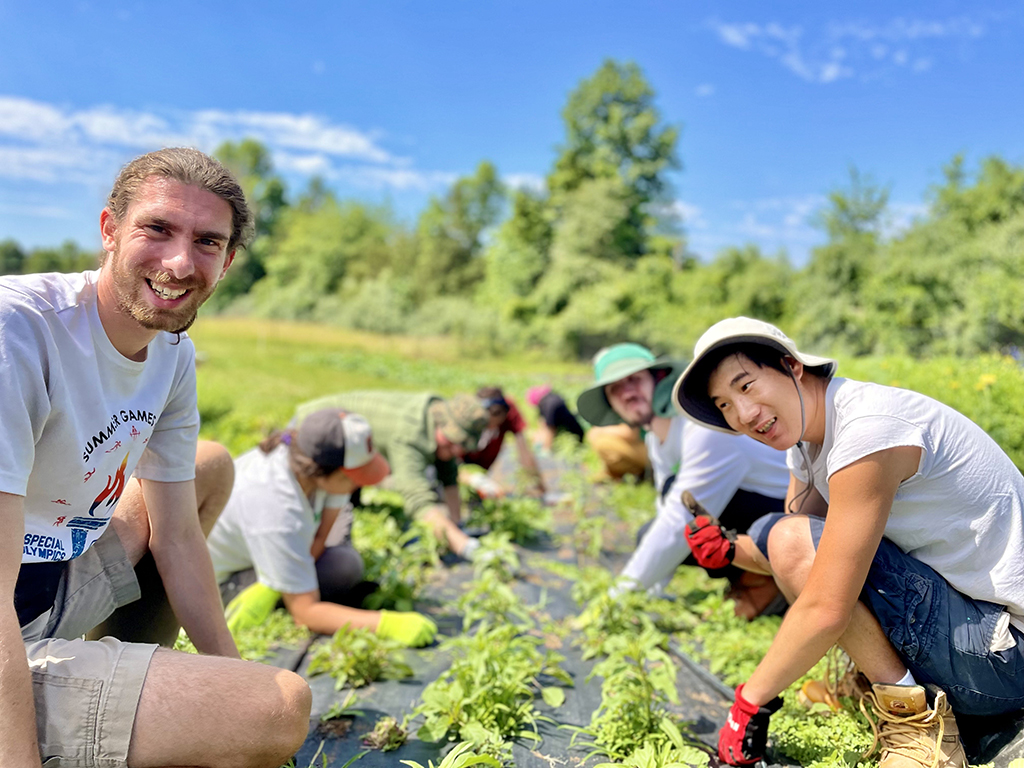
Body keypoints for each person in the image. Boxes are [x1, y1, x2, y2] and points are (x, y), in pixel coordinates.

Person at [2, 148, 311, 768]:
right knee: (278, 706)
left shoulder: (172, 355)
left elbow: (178, 539)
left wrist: (226, 674)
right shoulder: (19, 331)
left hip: (48, 586)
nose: (179, 261)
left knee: (209, 464)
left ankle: (118, 693)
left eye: (207, 242)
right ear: (110, 230)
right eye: (158, 228)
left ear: (225, 263)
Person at [673, 317, 1024, 767]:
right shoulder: (806, 441)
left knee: (790, 542)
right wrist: (733, 551)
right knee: (778, 532)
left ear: (791, 366)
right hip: (973, 628)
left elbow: (821, 599)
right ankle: (893, 685)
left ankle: (918, 730)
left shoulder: (868, 432)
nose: (743, 415)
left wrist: (749, 704)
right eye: (724, 404)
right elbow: (798, 554)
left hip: (1004, 657)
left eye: (746, 386)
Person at [576, 343, 790, 617]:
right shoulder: (657, 438)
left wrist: (617, 599)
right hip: (750, 510)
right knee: (654, 524)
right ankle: (746, 575)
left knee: (687, 512)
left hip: (791, 513)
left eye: (634, 380)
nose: (627, 392)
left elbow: (677, 522)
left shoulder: (703, 429)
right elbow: (666, 514)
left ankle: (764, 579)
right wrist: (650, 591)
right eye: (615, 388)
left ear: (659, 379)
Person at [206, 409, 437, 647]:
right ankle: (268, 586)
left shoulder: (310, 463)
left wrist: (290, 573)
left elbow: (320, 537)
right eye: (352, 477)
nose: (357, 485)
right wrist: (386, 624)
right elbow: (305, 614)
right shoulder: (277, 507)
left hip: (263, 547)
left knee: (344, 566)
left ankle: (281, 582)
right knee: (331, 580)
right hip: (223, 579)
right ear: (323, 471)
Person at [295, 391, 488, 560]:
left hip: (350, 450)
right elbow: (417, 499)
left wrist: (457, 524)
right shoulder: (411, 434)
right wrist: (464, 546)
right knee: (310, 521)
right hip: (317, 435)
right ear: (441, 422)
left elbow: (448, 474)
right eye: (451, 440)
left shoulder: (436, 423)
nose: (455, 449)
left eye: (461, 444)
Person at [462, 386, 545, 496]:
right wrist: (473, 479)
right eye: (486, 425)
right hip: (461, 466)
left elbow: (524, 450)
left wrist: (540, 489)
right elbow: (450, 460)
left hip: (484, 466)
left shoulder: (509, 410)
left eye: (494, 425)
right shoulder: (465, 415)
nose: (490, 429)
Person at [526, 385, 586, 449]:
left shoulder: (543, 403)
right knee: (570, 424)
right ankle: (580, 442)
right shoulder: (549, 396)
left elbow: (544, 425)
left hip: (551, 407)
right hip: (559, 402)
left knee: (549, 429)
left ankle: (546, 450)